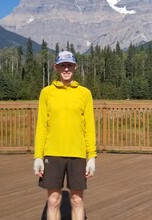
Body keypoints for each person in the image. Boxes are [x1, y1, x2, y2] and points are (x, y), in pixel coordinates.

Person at [33, 50, 97, 220]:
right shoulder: (46, 93)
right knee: (53, 200)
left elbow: (89, 126)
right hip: (52, 154)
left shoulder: (85, 93)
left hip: (77, 154)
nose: (66, 69)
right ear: (56, 67)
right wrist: (38, 156)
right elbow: (41, 126)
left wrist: (92, 156)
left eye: (69, 65)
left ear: (75, 67)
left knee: (77, 200)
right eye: (62, 65)